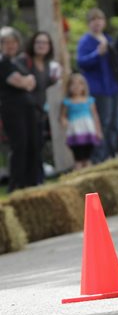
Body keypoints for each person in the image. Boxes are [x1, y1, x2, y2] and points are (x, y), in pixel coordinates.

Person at [77, 8, 118, 163]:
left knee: (114, 123)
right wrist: (97, 53)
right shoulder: (86, 42)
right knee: (103, 122)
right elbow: (81, 62)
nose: (97, 23)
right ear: (89, 23)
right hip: (98, 89)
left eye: (100, 19)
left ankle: (112, 152)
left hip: (113, 87)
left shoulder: (108, 39)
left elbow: (117, 64)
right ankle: (100, 157)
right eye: (93, 20)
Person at [0, 26, 39, 192]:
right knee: (20, 145)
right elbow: (22, 82)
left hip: (27, 109)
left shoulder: (18, 62)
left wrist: (27, 80)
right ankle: (17, 185)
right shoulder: (3, 63)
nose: (11, 46)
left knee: (32, 144)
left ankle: (31, 182)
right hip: (12, 110)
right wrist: (27, 80)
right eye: (6, 43)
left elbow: (32, 82)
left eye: (13, 42)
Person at [20, 31, 61, 183]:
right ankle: (23, 181)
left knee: (38, 145)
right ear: (33, 44)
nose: (42, 46)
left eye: (45, 43)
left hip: (39, 111)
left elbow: (41, 85)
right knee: (26, 147)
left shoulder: (47, 64)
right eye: (39, 42)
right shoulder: (24, 61)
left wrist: (54, 80)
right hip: (24, 111)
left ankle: (38, 179)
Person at [60, 73, 102, 170]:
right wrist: (64, 121)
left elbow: (95, 116)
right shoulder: (67, 102)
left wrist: (98, 131)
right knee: (78, 157)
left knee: (87, 157)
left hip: (88, 130)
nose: (76, 87)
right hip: (75, 131)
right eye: (73, 84)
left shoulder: (89, 100)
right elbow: (62, 116)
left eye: (79, 84)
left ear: (84, 86)